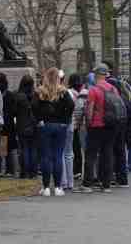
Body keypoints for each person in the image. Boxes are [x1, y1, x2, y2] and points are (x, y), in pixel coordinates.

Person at [80, 64, 122, 194]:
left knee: (91, 154)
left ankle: (87, 184)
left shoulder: (93, 90)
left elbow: (90, 110)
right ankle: (106, 184)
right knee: (107, 153)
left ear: (96, 75)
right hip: (111, 125)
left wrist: (88, 123)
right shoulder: (114, 89)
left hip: (96, 126)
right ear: (106, 75)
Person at [34, 67, 75, 197]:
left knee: (45, 156)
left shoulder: (40, 91)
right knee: (58, 155)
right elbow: (71, 105)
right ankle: (58, 187)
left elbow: (33, 107)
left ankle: (46, 187)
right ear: (58, 78)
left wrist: (39, 120)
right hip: (60, 126)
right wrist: (65, 120)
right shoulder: (63, 91)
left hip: (45, 125)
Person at [15, 75, 39, 179]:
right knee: (33, 149)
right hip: (33, 125)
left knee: (24, 149)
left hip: (22, 125)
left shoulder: (18, 96)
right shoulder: (35, 95)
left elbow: (14, 111)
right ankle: (33, 172)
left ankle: (24, 172)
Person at [0, 72, 15, 177]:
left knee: (0, 147)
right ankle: (9, 170)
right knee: (8, 148)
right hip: (8, 123)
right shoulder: (10, 95)